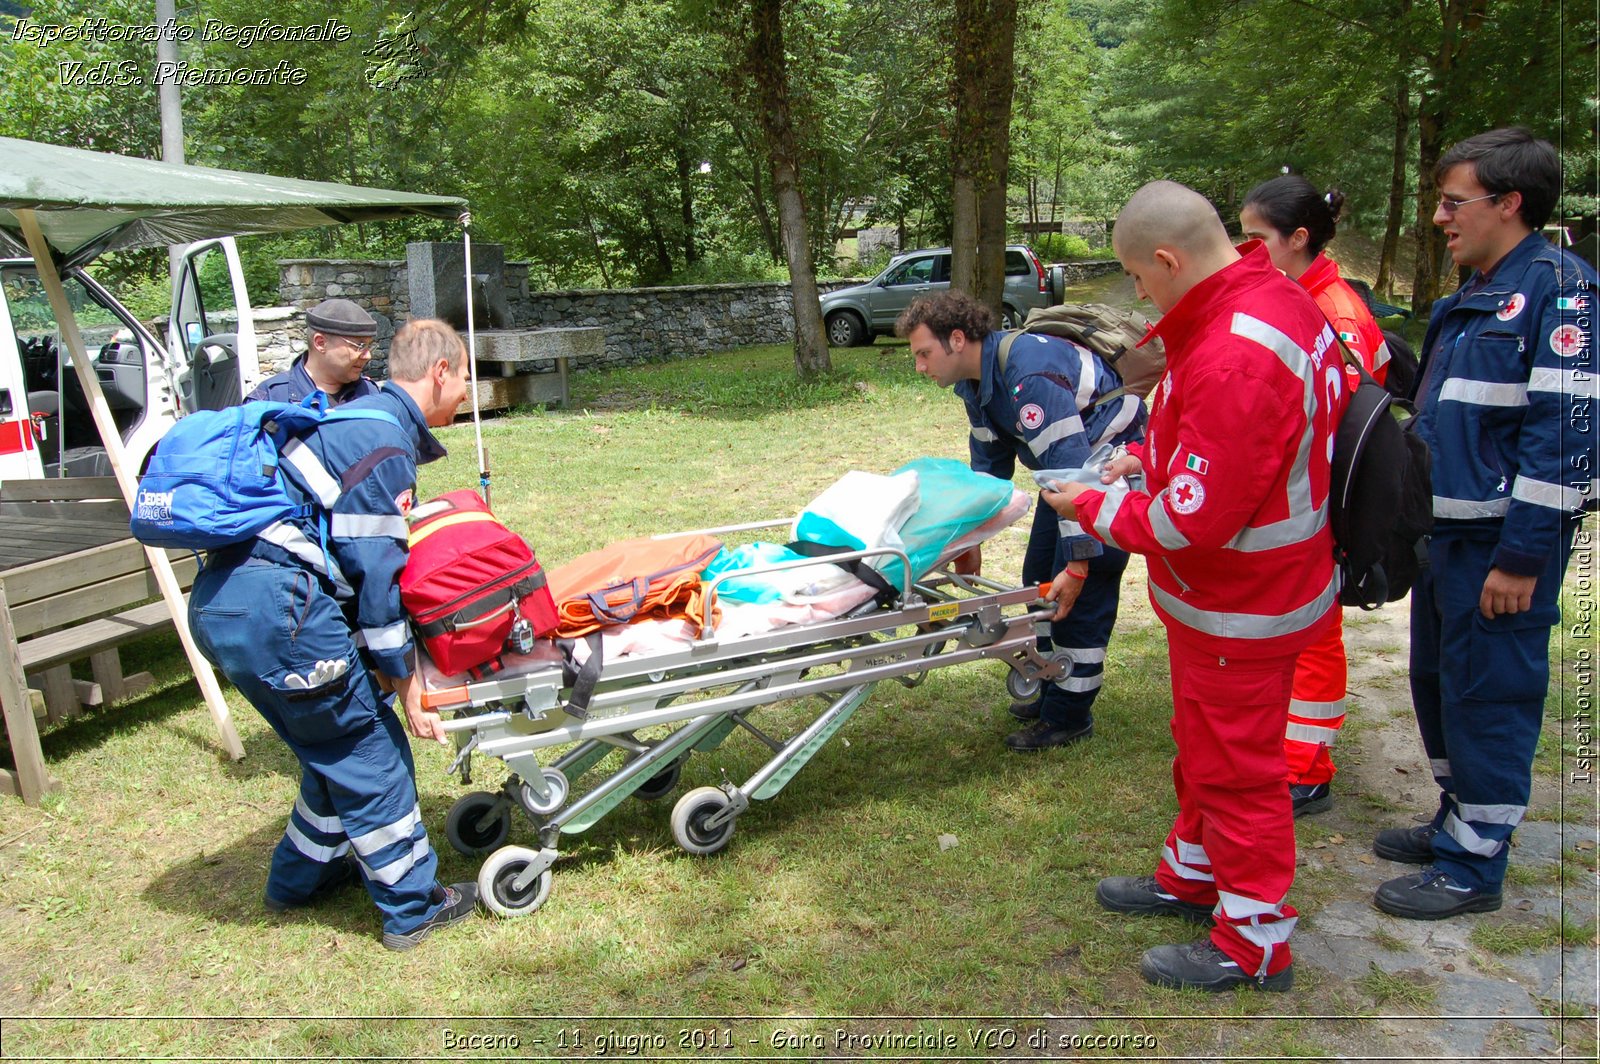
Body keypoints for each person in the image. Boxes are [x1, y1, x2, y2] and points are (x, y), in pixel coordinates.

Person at [1047, 181, 1342, 992]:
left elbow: (1193, 519)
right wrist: (1158, 459)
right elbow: (1251, 450)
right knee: (1207, 752)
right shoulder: (1274, 301)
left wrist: (1099, 503)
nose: (1140, 295)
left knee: (1238, 772)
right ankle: (1191, 874)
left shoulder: (1235, 348)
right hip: (1246, 592)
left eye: (1140, 279)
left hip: (1240, 602)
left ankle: (1254, 944)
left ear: (1169, 260)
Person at [189, 318, 478, 951]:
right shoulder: (382, 442)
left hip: (224, 605)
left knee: (331, 747)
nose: (467, 393)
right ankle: (412, 904)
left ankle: (301, 879)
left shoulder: (355, 420)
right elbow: (375, 579)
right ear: (438, 372)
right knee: (370, 753)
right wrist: (407, 684)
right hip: (280, 612)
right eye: (464, 378)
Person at [1371, 128, 1596, 921]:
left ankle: (1475, 864)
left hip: (1499, 551)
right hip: (1444, 539)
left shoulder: (1560, 290)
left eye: (1453, 201)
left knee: (1490, 693)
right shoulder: (1476, 290)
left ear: (1510, 203)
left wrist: (1524, 557)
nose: (1439, 217)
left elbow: (1564, 437)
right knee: (1438, 684)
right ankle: (1455, 818)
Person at [895, 291, 1146, 751]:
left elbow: (1075, 476)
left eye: (924, 354)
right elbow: (987, 479)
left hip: (1109, 468)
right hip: (1070, 474)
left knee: (1080, 590)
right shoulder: (975, 384)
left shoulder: (1028, 373)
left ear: (956, 339)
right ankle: (1053, 685)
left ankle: (1069, 717)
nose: (920, 367)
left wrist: (1079, 566)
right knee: (1039, 580)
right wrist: (969, 544)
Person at [1239, 175, 1391, 818]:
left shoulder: (1333, 310)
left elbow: (1349, 417)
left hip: (1327, 499)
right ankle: (1289, 753)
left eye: (1255, 240)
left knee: (1315, 633)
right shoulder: (1293, 298)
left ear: (1298, 239)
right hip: (1302, 493)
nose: (1244, 253)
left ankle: (1306, 769)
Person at [247, 297, 383, 406]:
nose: (367, 356)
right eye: (359, 346)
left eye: (369, 346)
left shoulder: (369, 393)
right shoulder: (270, 400)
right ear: (320, 343)